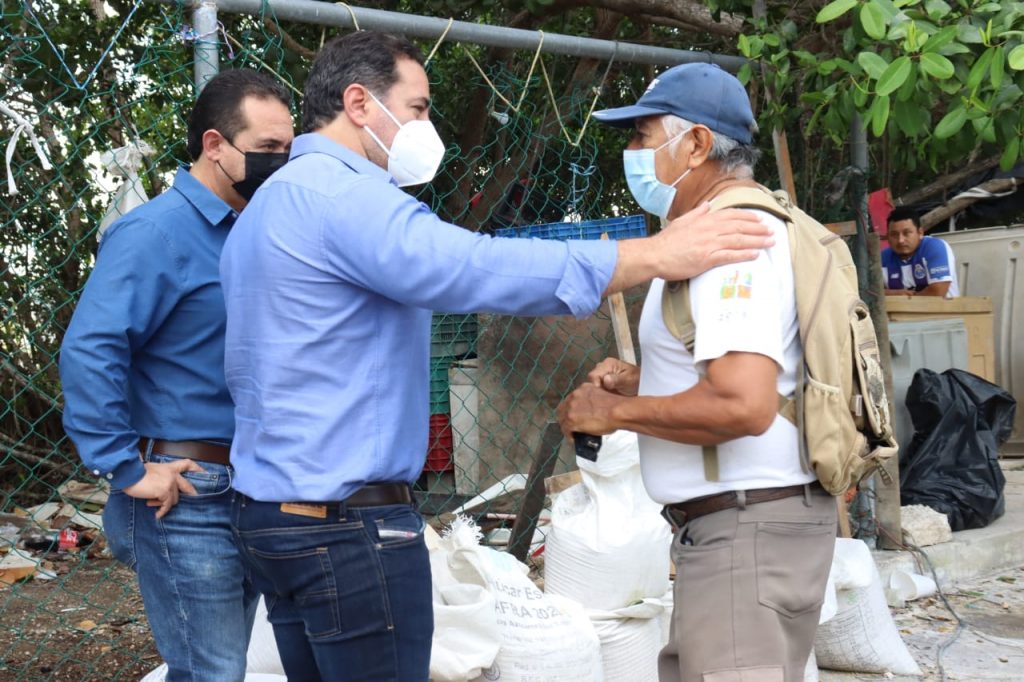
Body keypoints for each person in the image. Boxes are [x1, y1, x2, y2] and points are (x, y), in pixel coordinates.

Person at [219, 31, 776, 682]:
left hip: (270, 517)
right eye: (418, 108)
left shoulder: (267, 205)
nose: (427, 127)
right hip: (343, 527)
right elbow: (469, 266)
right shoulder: (342, 195)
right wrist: (651, 255)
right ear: (359, 103)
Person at [557, 63, 837, 682]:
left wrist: (614, 412)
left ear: (697, 144)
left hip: (747, 533)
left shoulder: (731, 245)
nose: (632, 153)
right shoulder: (710, 235)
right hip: (737, 532)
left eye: (642, 135)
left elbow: (743, 404)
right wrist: (646, 383)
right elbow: (752, 374)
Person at [60, 69, 294, 681]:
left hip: (255, 481)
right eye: (268, 147)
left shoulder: (257, 231)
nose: (282, 160)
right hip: (188, 493)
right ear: (214, 144)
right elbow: (91, 349)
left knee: (226, 667)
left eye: (288, 147)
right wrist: (124, 468)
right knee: (211, 673)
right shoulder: (155, 233)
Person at [882, 205, 960, 297]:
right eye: (894, 235)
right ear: (888, 237)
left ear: (920, 233)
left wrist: (902, 298)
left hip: (942, 306)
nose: (900, 240)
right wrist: (896, 293)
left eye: (907, 233)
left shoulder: (934, 247)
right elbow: (870, 294)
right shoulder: (881, 258)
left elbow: (937, 292)